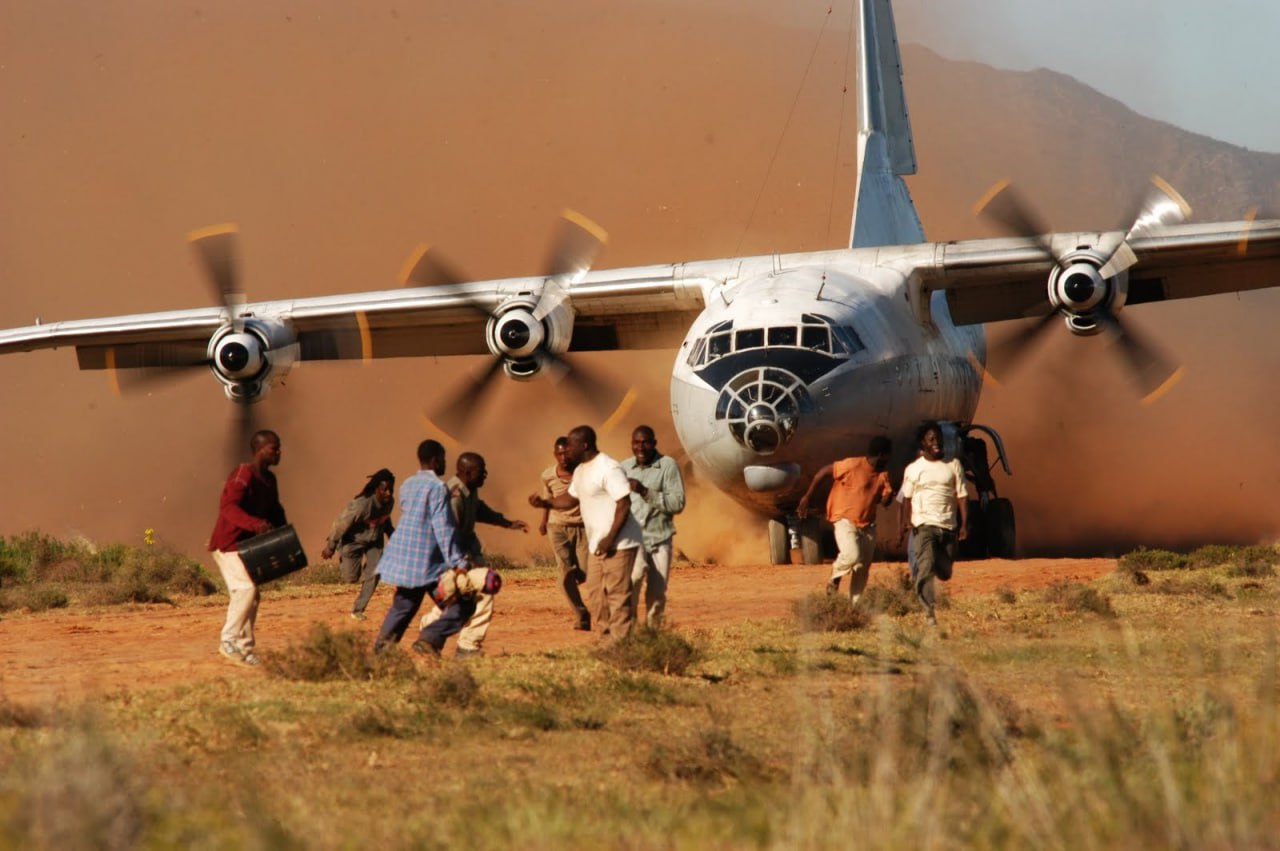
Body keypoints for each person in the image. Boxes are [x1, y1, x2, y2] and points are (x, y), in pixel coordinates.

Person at [529, 425, 642, 643]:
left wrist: (610, 537)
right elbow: (570, 498)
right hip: (598, 544)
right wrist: (546, 503)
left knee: (618, 595)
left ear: (585, 445)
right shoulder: (580, 471)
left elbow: (624, 503)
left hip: (620, 543)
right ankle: (605, 638)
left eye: (570, 445)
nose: (567, 449)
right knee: (596, 593)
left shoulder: (609, 468)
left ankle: (622, 644)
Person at [419, 452, 528, 657]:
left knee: (459, 599)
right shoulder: (454, 497)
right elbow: (445, 534)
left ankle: (429, 632)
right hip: (451, 558)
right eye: (481, 470)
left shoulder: (469, 490)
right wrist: (457, 565)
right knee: (483, 590)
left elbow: (479, 510)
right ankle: (467, 646)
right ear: (467, 472)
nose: (485, 474)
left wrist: (506, 523)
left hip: (465, 555)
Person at [373, 439, 470, 654]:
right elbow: (443, 528)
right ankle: (430, 638)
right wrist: (458, 562)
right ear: (436, 461)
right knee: (462, 604)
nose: (445, 463)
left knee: (402, 607)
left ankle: (379, 656)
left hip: (406, 560)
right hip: (428, 564)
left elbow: (413, 514)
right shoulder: (437, 488)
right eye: (443, 459)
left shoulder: (407, 484)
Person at [207, 429, 287, 667]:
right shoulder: (244, 474)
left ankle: (244, 649)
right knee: (245, 590)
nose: (279, 452)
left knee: (252, 596)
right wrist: (255, 524)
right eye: (274, 448)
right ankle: (228, 640)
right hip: (228, 544)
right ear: (260, 450)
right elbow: (228, 507)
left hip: (248, 547)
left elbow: (275, 509)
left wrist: (282, 531)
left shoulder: (270, 480)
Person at [796, 435, 894, 605]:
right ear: (880, 454)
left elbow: (884, 502)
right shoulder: (852, 465)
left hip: (867, 524)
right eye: (887, 456)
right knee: (851, 556)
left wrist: (890, 494)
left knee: (862, 568)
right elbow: (823, 473)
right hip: (844, 519)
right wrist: (807, 497)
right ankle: (835, 576)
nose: (889, 460)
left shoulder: (882, 475)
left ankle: (854, 606)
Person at [898, 422, 969, 626]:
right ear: (923, 443)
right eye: (931, 439)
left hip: (947, 526)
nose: (936, 442)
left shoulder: (953, 465)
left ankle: (937, 576)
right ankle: (929, 611)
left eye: (938, 437)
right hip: (923, 525)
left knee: (945, 572)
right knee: (925, 566)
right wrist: (904, 523)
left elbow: (962, 496)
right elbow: (906, 498)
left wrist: (964, 524)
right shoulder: (913, 469)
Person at [620, 425, 686, 627]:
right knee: (634, 578)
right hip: (633, 537)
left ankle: (652, 634)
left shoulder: (667, 466)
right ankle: (627, 627)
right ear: (631, 444)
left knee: (657, 592)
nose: (641, 447)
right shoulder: (623, 468)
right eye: (636, 443)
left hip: (660, 539)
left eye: (646, 442)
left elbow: (677, 503)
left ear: (654, 444)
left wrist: (645, 491)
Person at [321, 468, 396, 620]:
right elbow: (341, 523)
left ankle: (358, 610)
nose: (388, 493)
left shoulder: (390, 502)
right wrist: (331, 546)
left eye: (391, 489)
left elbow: (385, 519)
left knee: (375, 573)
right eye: (384, 490)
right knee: (351, 578)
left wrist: (391, 535)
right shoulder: (362, 505)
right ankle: (352, 564)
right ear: (376, 490)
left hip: (375, 541)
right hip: (353, 541)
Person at [538, 436, 591, 630]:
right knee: (565, 572)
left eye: (567, 453)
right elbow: (547, 499)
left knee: (585, 572)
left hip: (583, 527)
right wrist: (543, 522)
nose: (563, 457)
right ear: (554, 454)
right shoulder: (548, 475)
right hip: (557, 527)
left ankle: (573, 581)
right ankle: (581, 614)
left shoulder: (584, 472)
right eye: (559, 453)